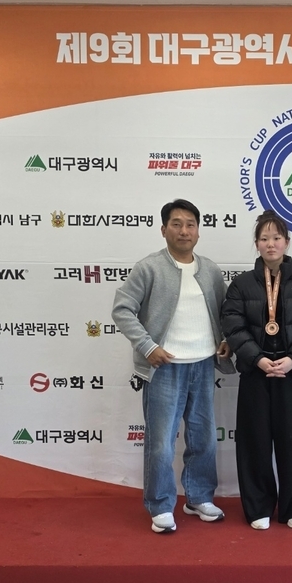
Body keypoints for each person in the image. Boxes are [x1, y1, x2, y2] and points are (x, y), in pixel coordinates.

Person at [112, 199, 231, 534]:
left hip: (203, 366)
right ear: (164, 229)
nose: (184, 230)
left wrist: (226, 340)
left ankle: (199, 498)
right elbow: (122, 309)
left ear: (198, 231)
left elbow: (225, 312)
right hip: (164, 368)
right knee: (161, 443)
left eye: (190, 224)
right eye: (176, 224)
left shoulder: (210, 270)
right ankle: (161, 505)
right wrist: (147, 346)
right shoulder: (148, 268)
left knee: (203, 438)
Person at [222, 210, 292, 529]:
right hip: (256, 373)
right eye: (264, 238)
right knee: (254, 442)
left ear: (287, 242)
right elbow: (233, 325)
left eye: (277, 238)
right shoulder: (241, 284)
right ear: (256, 243)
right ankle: (258, 508)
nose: (271, 244)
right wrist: (257, 358)